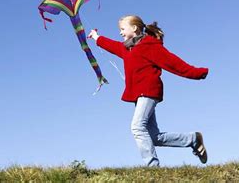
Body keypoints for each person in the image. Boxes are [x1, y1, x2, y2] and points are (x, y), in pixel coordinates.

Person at [88, 15, 209, 167]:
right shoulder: (127, 49)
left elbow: (173, 63)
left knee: (137, 127)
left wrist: (198, 72)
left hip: (148, 91)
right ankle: (193, 139)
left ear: (134, 28)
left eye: (122, 29)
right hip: (139, 95)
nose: (120, 33)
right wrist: (96, 37)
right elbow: (112, 45)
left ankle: (152, 167)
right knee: (154, 137)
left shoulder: (150, 45)